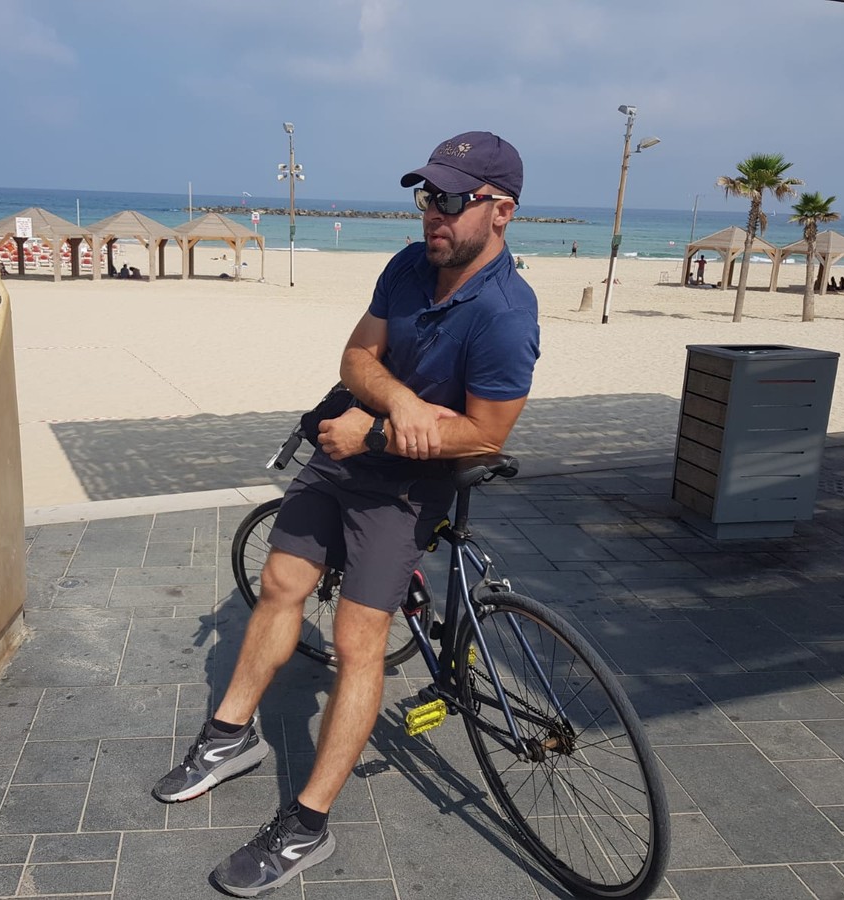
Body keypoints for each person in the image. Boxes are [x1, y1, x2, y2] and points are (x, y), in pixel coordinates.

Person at [153, 131, 541, 897]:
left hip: (407, 488)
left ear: (500, 210)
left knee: (357, 640)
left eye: (452, 198)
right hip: (343, 451)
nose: (433, 212)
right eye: (427, 194)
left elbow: (487, 434)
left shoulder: (506, 314)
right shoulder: (409, 264)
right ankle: (230, 736)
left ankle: (306, 825)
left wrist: (383, 431)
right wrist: (396, 403)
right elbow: (357, 357)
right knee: (280, 583)